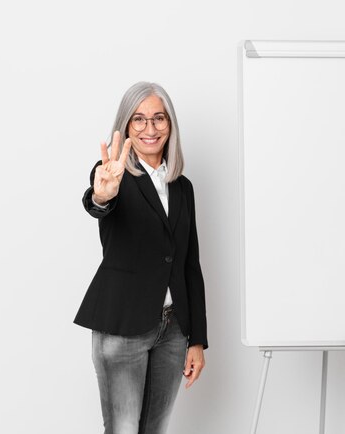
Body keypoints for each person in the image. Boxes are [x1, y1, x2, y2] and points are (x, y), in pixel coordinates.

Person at [74, 81, 207, 434]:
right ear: (126, 126)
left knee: (156, 428)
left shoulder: (183, 187)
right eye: (139, 120)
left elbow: (189, 264)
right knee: (124, 428)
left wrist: (196, 339)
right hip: (122, 327)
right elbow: (100, 201)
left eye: (159, 118)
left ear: (170, 124)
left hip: (173, 329)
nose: (150, 129)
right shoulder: (112, 175)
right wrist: (102, 195)